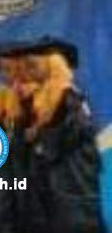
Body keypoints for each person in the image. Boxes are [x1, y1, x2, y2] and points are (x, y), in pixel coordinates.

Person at [21, 38, 104, 233]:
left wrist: (40, 137)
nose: (29, 72)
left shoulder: (69, 96)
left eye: (34, 65)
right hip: (50, 183)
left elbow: (76, 133)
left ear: (51, 65)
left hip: (72, 181)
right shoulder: (40, 97)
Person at [0, 43, 30, 233]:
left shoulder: (34, 95)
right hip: (4, 166)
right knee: (3, 208)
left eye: (8, 69)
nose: (3, 75)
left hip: (27, 165)